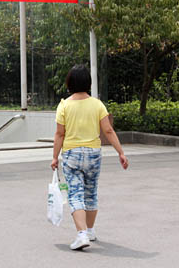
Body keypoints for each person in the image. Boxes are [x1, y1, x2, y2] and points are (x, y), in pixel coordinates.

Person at [50, 64, 129, 250]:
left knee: (75, 193)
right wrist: (120, 152)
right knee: (91, 192)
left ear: (69, 82)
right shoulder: (97, 104)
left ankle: (82, 234)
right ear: (88, 83)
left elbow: (60, 134)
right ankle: (90, 230)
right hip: (93, 154)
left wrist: (54, 157)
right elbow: (108, 130)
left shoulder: (64, 105)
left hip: (72, 154)